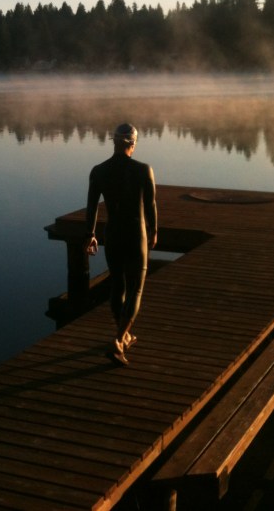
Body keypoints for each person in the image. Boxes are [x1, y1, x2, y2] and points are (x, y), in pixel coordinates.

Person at [83, 123, 158, 365]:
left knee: (118, 285)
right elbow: (151, 206)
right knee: (136, 288)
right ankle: (118, 341)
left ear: (114, 142)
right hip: (136, 235)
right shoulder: (143, 170)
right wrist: (154, 230)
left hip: (113, 234)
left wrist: (90, 234)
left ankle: (124, 335)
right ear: (133, 144)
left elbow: (92, 207)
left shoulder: (98, 171)